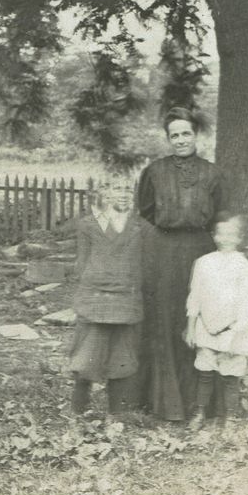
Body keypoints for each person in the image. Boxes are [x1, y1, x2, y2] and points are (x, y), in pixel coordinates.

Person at [137, 107, 227, 421]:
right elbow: (145, 209)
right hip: (163, 251)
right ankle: (165, 402)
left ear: (196, 135)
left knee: (200, 317)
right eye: (173, 135)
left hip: (201, 249)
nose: (180, 140)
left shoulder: (212, 173)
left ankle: (202, 402)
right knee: (165, 319)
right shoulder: (155, 171)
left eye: (185, 133)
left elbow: (220, 214)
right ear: (168, 139)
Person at [69, 174, 149, 415]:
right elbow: (81, 265)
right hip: (95, 300)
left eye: (127, 188)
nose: (123, 193)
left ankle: (116, 415)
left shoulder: (140, 226)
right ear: (104, 193)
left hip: (126, 300)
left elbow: (144, 264)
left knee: (121, 359)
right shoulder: (88, 225)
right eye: (117, 188)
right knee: (86, 359)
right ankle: (77, 412)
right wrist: (88, 294)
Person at [184, 214, 248, 430]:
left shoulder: (243, 266)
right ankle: (200, 412)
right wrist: (191, 329)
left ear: (239, 237)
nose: (226, 238)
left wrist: (235, 332)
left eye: (231, 234)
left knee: (230, 375)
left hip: (233, 330)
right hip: (206, 327)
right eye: (221, 233)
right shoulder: (204, 263)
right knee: (205, 373)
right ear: (214, 236)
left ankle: (231, 416)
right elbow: (194, 297)